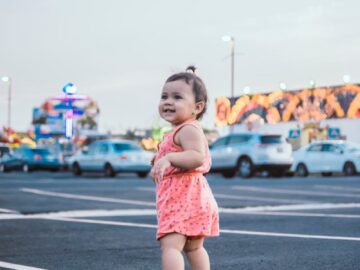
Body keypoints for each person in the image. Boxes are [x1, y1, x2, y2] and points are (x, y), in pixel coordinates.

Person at [151, 66, 219, 270]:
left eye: (177, 97)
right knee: (193, 248)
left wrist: (170, 158)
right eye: (164, 96)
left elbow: (197, 156)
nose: (168, 102)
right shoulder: (180, 131)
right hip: (193, 198)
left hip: (183, 198)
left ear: (197, 107)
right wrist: (160, 160)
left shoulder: (188, 129)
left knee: (171, 247)